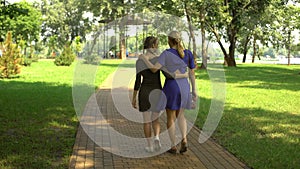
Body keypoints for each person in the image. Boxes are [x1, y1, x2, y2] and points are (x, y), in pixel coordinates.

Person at [142, 31, 197, 154]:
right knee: (181, 116)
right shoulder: (187, 53)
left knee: (171, 117)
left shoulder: (166, 54)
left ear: (169, 40)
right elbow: (192, 73)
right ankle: (184, 139)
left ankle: (173, 146)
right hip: (184, 86)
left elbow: (154, 69)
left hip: (171, 87)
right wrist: (194, 90)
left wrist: (144, 59)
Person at [132, 36, 188, 153]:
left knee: (147, 121)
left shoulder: (139, 61)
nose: (157, 47)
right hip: (157, 91)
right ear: (153, 46)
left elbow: (138, 81)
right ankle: (157, 137)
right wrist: (183, 75)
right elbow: (168, 75)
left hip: (144, 92)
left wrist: (134, 97)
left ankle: (149, 145)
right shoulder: (159, 59)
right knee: (155, 119)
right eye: (157, 44)